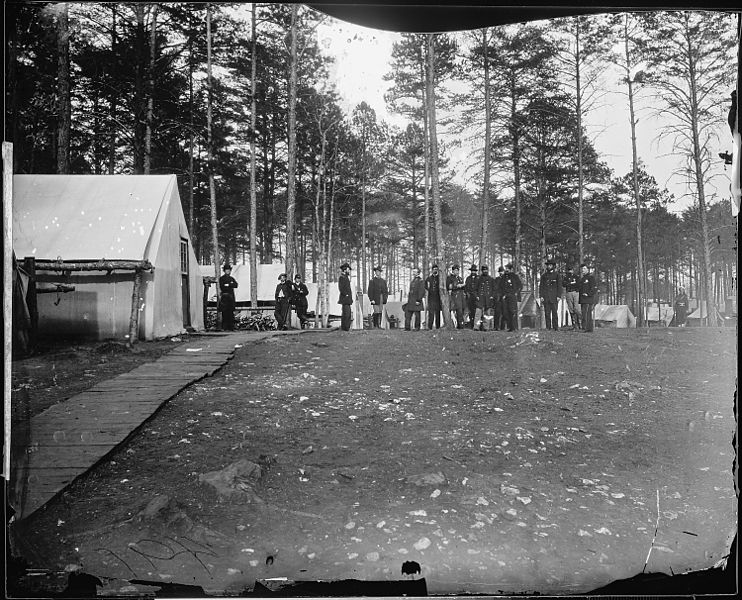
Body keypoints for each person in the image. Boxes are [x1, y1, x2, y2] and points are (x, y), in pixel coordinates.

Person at [539, 259, 563, 331]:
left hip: (554, 297)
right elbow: (541, 287)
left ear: (553, 266)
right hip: (546, 297)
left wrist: (559, 296)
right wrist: (541, 296)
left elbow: (559, 286)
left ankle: (556, 327)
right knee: (547, 313)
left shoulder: (557, 275)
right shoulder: (544, 276)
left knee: (555, 313)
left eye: (550, 265)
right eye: (548, 265)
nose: (549, 267)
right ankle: (548, 327)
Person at [474, 265, 497, 331]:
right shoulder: (478, 279)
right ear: (482, 271)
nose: (485, 271)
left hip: (488, 298)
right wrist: (477, 296)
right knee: (478, 313)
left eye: (486, 270)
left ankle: (486, 327)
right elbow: (475, 289)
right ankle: (476, 327)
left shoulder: (491, 279)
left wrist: (492, 296)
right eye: (484, 270)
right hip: (480, 298)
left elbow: (494, 289)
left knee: (487, 314)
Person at [500, 263, 522, 332]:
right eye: (506, 268)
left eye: (508, 269)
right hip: (506, 297)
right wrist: (503, 294)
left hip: (512, 296)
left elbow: (520, 286)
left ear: (511, 269)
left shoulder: (515, 276)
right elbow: (501, 287)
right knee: (506, 312)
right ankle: (510, 327)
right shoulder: (503, 277)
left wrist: (516, 293)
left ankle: (514, 327)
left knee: (513, 312)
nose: (506, 270)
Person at [218, 264, 238, 331]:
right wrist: (230, 285)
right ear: (224, 271)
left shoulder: (231, 278)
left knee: (231, 312)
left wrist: (228, 285)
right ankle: (225, 327)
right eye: (226, 270)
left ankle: (231, 327)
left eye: (229, 270)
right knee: (225, 312)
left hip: (231, 297)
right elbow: (222, 287)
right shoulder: (222, 278)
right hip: (225, 297)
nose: (228, 271)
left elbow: (236, 285)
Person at [578, 263, 597, 333]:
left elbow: (594, 288)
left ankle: (587, 328)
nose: (582, 270)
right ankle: (586, 328)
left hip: (588, 299)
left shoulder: (591, 278)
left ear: (588, 270)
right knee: (584, 314)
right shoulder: (582, 279)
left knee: (587, 314)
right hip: (583, 300)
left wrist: (588, 294)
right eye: (582, 269)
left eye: (584, 268)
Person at [446, 265, 467, 329]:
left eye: (458, 270)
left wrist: (463, 286)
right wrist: (457, 286)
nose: (457, 272)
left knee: (461, 310)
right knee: (456, 310)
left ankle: (461, 325)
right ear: (452, 271)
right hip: (454, 296)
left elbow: (463, 287)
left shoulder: (460, 278)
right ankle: (456, 325)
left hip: (461, 296)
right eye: (455, 270)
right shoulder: (450, 278)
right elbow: (449, 287)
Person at [564, 265, 581, 330]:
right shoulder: (565, 277)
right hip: (568, 292)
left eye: (571, 270)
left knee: (576, 308)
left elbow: (578, 284)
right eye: (568, 270)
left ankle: (580, 324)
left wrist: (571, 284)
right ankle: (574, 325)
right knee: (571, 309)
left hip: (575, 292)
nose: (570, 271)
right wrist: (569, 283)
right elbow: (564, 284)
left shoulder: (576, 277)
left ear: (573, 270)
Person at [425, 264, 442, 329]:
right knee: (431, 313)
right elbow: (426, 288)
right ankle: (430, 327)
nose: (435, 270)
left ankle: (438, 327)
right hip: (431, 298)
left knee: (437, 313)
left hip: (438, 298)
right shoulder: (429, 279)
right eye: (434, 269)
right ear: (432, 270)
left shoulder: (440, 278)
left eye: (436, 269)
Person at [338, 263, 353, 331]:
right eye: (348, 269)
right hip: (345, 299)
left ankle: (345, 327)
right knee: (347, 314)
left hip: (347, 299)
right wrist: (346, 294)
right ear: (344, 270)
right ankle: (346, 328)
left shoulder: (345, 277)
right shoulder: (342, 277)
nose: (349, 271)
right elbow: (341, 288)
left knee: (346, 313)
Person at [464, 264, 479, 329]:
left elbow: (480, 288)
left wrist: (477, 295)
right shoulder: (468, 278)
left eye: (474, 271)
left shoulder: (478, 278)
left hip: (476, 297)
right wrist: (467, 293)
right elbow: (466, 287)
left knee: (476, 311)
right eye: (472, 271)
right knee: (470, 311)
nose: (473, 272)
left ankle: (477, 325)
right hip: (469, 297)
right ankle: (471, 324)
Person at [493, 266, 505, 330]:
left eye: (502, 271)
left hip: (504, 298)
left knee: (504, 313)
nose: (501, 273)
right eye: (500, 272)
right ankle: (496, 327)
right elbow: (495, 289)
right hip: (498, 298)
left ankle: (503, 327)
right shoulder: (496, 280)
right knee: (497, 313)